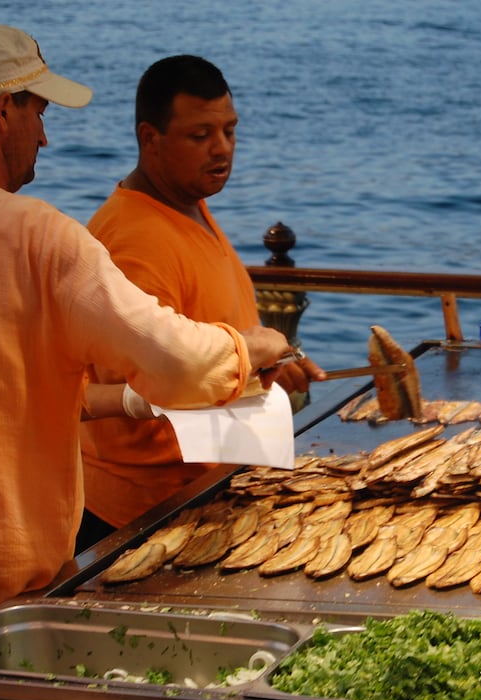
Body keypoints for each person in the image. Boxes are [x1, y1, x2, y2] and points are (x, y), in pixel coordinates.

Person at [0, 24, 293, 688]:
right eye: (40, 112)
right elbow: (177, 362)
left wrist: (126, 399)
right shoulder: (38, 236)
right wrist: (249, 346)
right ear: (4, 111)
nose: (45, 136)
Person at [77, 55, 325, 542]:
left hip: (210, 487)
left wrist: (262, 368)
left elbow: (206, 341)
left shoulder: (185, 202)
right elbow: (149, 385)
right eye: (200, 135)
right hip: (149, 512)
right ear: (150, 138)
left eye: (229, 131)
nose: (222, 148)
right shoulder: (135, 240)